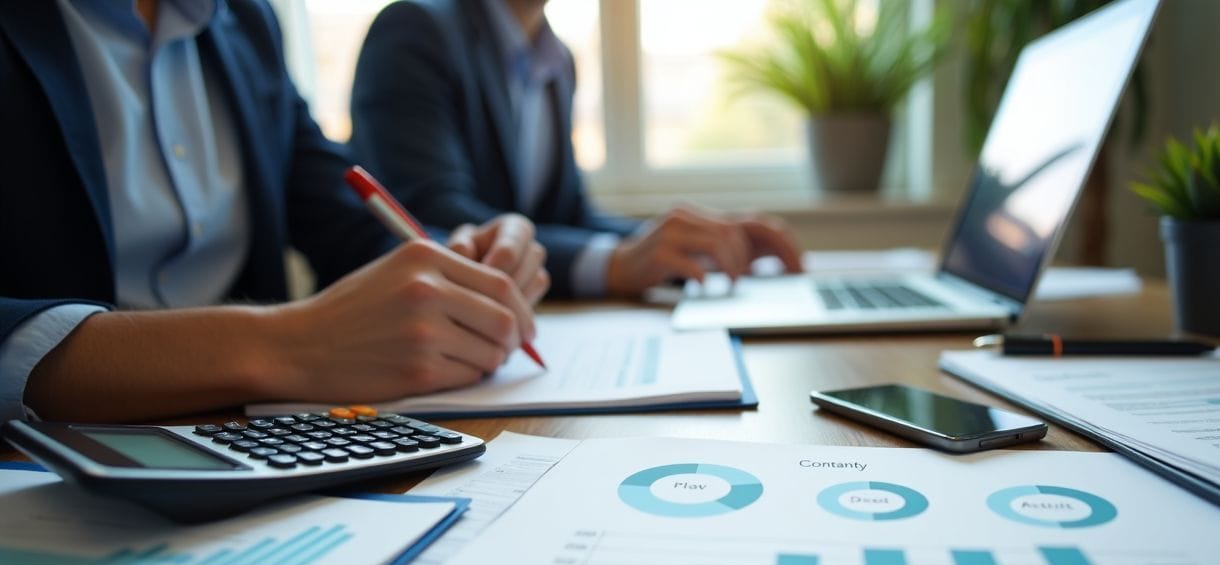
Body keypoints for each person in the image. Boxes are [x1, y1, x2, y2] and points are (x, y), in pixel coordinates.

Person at [0, 0, 549, 424]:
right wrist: (285, 343)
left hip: (245, 437)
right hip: (43, 457)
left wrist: (455, 265)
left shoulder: (246, 19)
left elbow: (344, 217)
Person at [350, 0, 805, 300]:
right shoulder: (414, 29)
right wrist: (616, 263)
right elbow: (435, 220)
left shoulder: (557, 60)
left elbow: (568, 213)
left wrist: (691, 245)